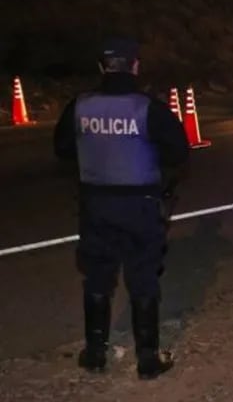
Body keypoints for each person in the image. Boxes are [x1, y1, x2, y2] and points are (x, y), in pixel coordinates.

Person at [53, 37, 189, 379]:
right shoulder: (148, 108)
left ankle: (95, 353)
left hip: (96, 204)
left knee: (97, 276)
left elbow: (63, 149)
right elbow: (178, 152)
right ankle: (147, 359)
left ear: (101, 68)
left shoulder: (80, 106)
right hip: (140, 204)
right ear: (136, 66)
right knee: (143, 276)